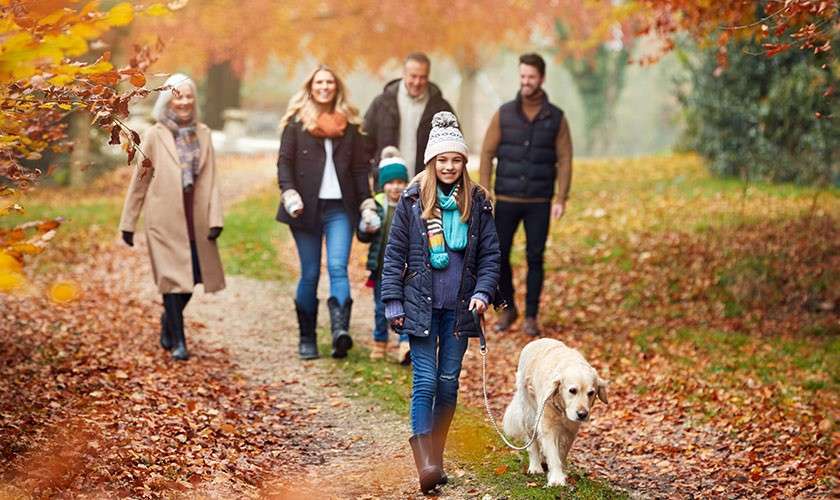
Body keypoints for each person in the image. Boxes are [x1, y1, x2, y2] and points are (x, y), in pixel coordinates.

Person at [381, 111, 501, 493]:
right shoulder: (414, 199)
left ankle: (437, 452)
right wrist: (392, 302)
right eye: (442, 160)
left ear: (464, 162)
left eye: (456, 159)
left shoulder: (478, 202)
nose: (449, 166)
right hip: (420, 305)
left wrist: (483, 293)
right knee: (426, 381)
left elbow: (490, 257)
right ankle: (427, 464)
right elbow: (394, 252)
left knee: (448, 384)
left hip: (460, 310)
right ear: (432, 162)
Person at [119, 73, 226, 361]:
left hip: (196, 217)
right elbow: (140, 180)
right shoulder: (154, 134)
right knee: (172, 279)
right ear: (168, 99)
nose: (185, 101)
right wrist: (128, 223)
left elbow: (212, 179)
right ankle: (179, 341)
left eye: (189, 96)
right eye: (178, 96)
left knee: (191, 280)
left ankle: (169, 321)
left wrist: (216, 218)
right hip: (164, 219)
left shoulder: (203, 133)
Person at [276, 64, 378, 360]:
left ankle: (339, 334)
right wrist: (289, 192)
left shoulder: (351, 126)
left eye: (329, 82)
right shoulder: (296, 124)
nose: (324, 87)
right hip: (304, 208)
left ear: (336, 87)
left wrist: (366, 201)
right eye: (319, 82)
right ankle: (307, 338)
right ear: (311, 86)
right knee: (309, 272)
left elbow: (360, 169)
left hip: (340, 209)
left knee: (337, 267)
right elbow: (284, 163)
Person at [479, 53, 573, 337]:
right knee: (498, 255)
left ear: (541, 78)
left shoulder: (555, 117)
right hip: (505, 199)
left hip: (539, 201)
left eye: (531, 77)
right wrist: (485, 189)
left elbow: (565, 158)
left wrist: (561, 197)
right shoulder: (504, 113)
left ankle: (531, 315)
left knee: (535, 257)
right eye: (522, 76)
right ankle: (508, 308)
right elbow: (486, 152)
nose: (526, 82)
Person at [364, 52, 455, 181]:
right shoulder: (381, 104)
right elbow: (365, 144)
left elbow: (453, 147)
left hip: (428, 184)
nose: (417, 82)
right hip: (388, 185)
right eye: (413, 76)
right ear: (404, 74)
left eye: (423, 77)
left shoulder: (441, 108)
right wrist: (373, 173)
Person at [359, 146, 411, 364]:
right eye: (390, 183)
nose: (395, 187)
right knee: (382, 307)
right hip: (381, 267)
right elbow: (364, 233)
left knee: (408, 306)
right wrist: (366, 226)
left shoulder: (412, 204)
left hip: (407, 268)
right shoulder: (377, 206)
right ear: (383, 185)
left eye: (400, 182)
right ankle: (379, 341)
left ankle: (405, 345)